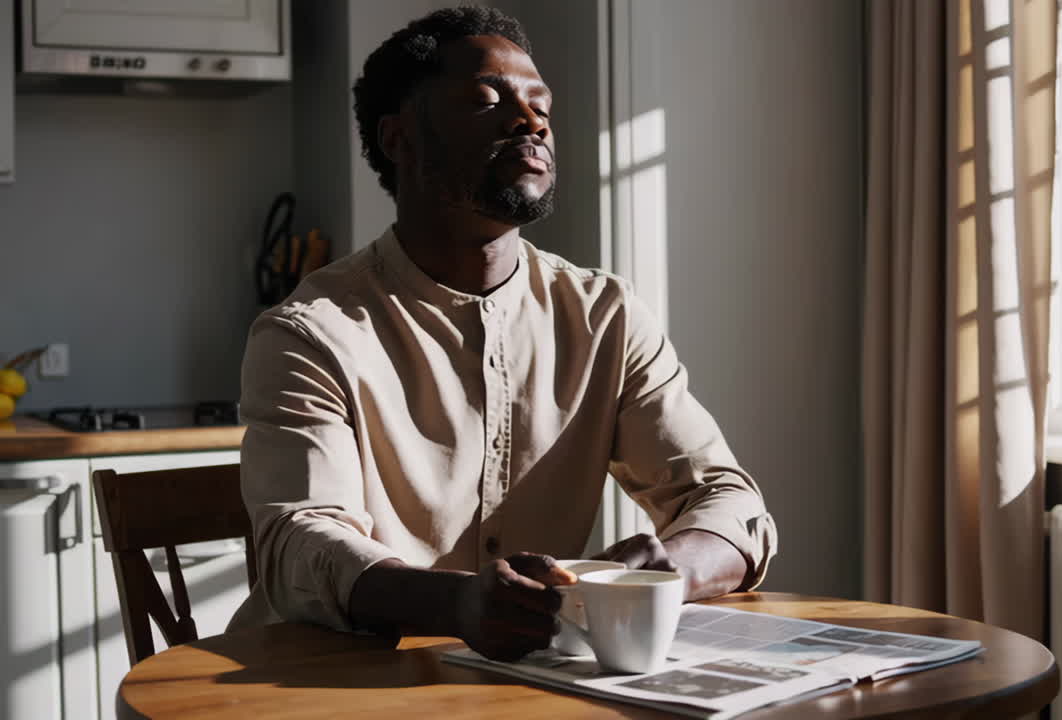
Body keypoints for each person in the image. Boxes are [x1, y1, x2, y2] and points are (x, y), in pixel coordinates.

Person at [229, 6, 776, 662]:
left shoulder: (605, 316)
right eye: (487, 100)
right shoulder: (309, 335)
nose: (531, 120)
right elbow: (303, 540)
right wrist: (455, 603)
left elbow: (728, 500)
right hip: (334, 688)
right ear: (398, 137)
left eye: (540, 103)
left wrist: (666, 571)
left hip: (527, 688)